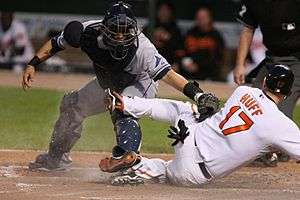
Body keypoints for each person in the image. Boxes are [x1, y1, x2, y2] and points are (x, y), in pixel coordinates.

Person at [22, 2, 219, 171]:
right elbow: (56, 44)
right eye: (116, 31)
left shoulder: (143, 49)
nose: (120, 37)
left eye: (126, 32)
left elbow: (168, 75)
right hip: (108, 83)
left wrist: (199, 95)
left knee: (122, 108)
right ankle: (57, 158)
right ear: (104, 28)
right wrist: (33, 63)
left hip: (138, 82)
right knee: (72, 105)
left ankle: (131, 162)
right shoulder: (87, 33)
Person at [104, 65, 300, 187]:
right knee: (175, 174)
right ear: (288, 93)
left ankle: (127, 105)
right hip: (195, 173)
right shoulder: (281, 125)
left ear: (264, 81)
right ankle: (137, 165)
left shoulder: (243, 92)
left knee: (183, 110)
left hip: (188, 135)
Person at [233, 0, 300, 164]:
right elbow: (248, 30)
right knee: (253, 104)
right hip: (272, 59)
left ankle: (279, 149)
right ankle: (265, 150)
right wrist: (240, 64)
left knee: (280, 113)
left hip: (298, 59)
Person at [180, 7, 225, 81]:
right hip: (187, 71)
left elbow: (217, 60)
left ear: (210, 18)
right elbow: (181, 51)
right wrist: (183, 62)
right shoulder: (190, 33)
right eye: (198, 17)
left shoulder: (216, 36)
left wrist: (198, 66)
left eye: (203, 17)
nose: (200, 19)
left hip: (207, 74)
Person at [143, 1, 184, 66]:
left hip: (169, 64)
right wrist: (153, 36)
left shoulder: (175, 29)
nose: (163, 13)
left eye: (166, 10)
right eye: (161, 10)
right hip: (150, 64)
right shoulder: (150, 27)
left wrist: (168, 38)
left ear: (171, 12)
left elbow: (179, 49)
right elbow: (142, 45)